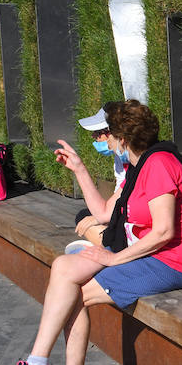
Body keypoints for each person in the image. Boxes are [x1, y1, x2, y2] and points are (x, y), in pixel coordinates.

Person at [0, 100, 182, 365]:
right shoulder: (136, 167)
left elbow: (165, 232)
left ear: (122, 138)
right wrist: (79, 169)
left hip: (172, 261)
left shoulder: (158, 165)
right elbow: (104, 213)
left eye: (106, 135)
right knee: (63, 267)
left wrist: (115, 260)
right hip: (145, 252)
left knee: (78, 296)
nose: (102, 141)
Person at [65, 103, 129, 254]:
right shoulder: (121, 156)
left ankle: (109, 248)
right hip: (126, 214)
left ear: (115, 133)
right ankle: (107, 243)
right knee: (85, 216)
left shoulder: (134, 162)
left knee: (90, 219)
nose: (94, 137)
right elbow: (119, 196)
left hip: (135, 223)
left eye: (98, 132)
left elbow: (123, 198)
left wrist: (101, 218)